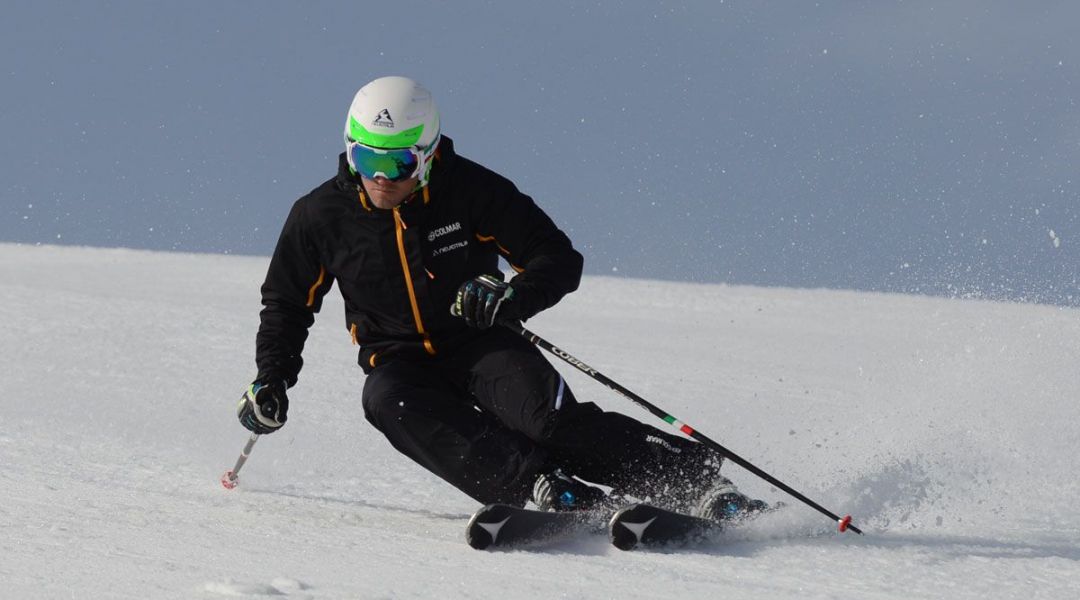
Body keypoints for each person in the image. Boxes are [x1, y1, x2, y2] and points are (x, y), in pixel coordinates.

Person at [236, 75, 765, 521]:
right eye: (364, 157)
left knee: (547, 421)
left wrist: (510, 296)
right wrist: (272, 377)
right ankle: (542, 485)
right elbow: (286, 303)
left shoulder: (470, 190)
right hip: (399, 358)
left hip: (480, 340)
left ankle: (697, 485)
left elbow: (556, 257)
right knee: (385, 400)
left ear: (426, 156)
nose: (379, 177)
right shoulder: (319, 216)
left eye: (397, 164)